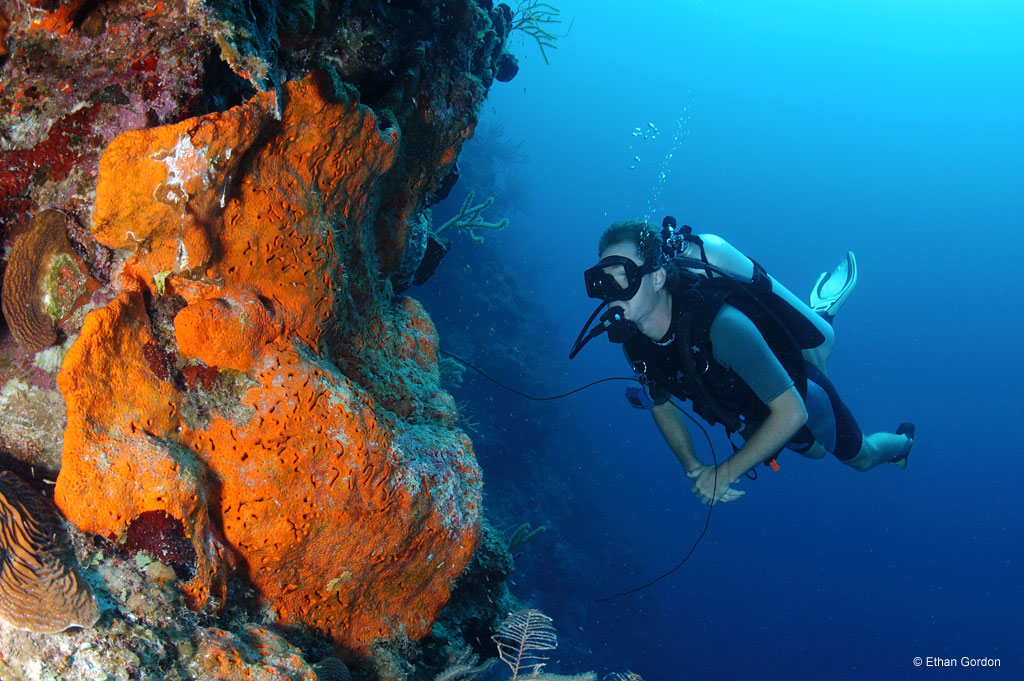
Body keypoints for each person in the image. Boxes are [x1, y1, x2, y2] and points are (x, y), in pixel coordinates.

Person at [571, 218, 914, 505]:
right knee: (814, 453)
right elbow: (661, 403)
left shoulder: (721, 326)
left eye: (622, 276)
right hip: (753, 414)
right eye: (601, 281)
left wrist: (725, 473)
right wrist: (693, 466)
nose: (610, 294)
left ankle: (902, 445)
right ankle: (814, 320)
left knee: (861, 457)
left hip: (798, 392)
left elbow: (793, 413)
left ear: (658, 277)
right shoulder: (634, 338)